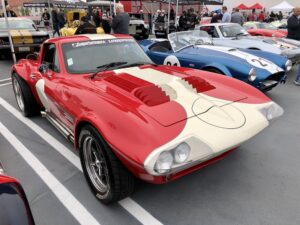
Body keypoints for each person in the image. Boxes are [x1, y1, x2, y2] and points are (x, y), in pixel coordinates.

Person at [287, 7, 300, 85]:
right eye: (297, 11)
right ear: (294, 11)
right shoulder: (291, 18)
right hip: (293, 39)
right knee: (291, 55)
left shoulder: (297, 19)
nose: (299, 12)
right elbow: (294, 26)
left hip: (297, 39)